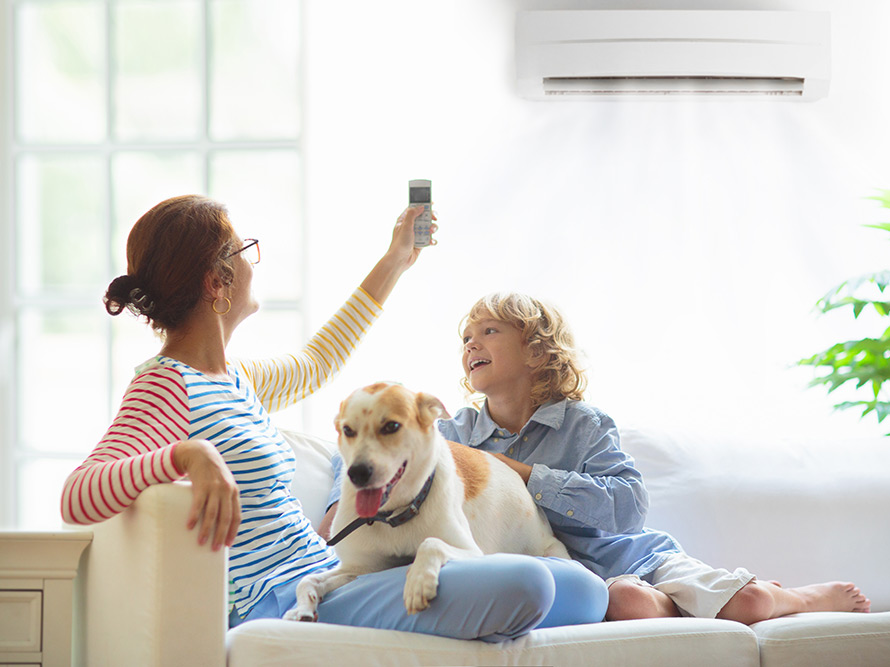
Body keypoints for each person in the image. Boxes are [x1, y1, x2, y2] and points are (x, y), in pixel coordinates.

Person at [60, 196, 608, 641]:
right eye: (245, 248)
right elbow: (78, 495)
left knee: (586, 591)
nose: (254, 259)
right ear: (215, 281)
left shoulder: (236, 380)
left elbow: (317, 361)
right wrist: (187, 454)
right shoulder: (164, 386)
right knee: (530, 585)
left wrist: (397, 257)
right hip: (282, 599)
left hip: (332, 571)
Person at [438, 292, 872, 623]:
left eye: (489, 331)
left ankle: (799, 597)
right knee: (629, 602)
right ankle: (711, 603)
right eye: (466, 338)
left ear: (535, 351)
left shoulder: (584, 423)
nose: (471, 344)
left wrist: (528, 475)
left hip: (633, 557)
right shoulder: (454, 435)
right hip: (583, 579)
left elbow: (628, 509)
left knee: (752, 603)